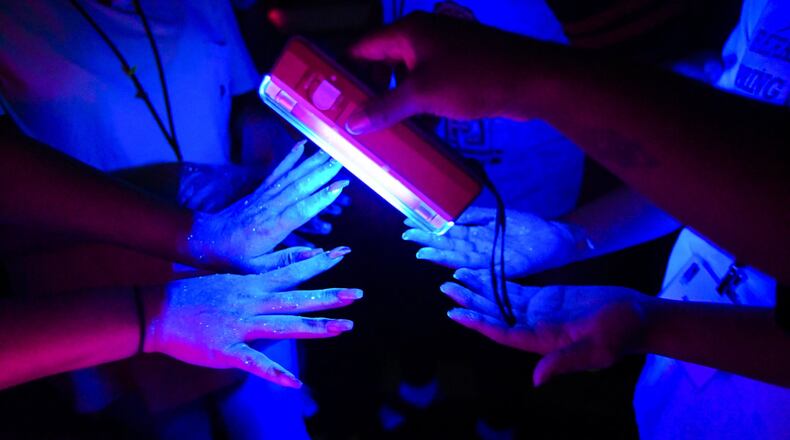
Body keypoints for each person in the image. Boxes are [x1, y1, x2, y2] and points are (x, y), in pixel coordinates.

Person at [348, 3, 790, 438]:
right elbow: (709, 169)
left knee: (501, 344)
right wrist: (576, 239)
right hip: (674, 390)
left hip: (762, 412)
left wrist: (530, 80)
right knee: (442, 298)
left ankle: (498, 421)